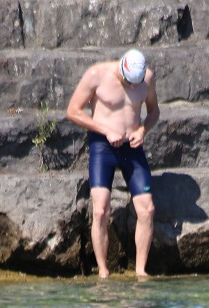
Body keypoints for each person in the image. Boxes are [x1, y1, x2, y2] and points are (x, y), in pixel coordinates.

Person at [65, 48, 160, 278]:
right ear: (121, 69)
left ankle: (140, 271)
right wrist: (106, 130)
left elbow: (154, 111)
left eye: (134, 84)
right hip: (103, 146)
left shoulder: (146, 77)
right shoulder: (96, 74)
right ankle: (103, 271)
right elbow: (72, 111)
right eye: (128, 82)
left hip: (132, 147)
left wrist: (143, 130)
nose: (130, 87)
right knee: (100, 210)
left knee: (147, 209)